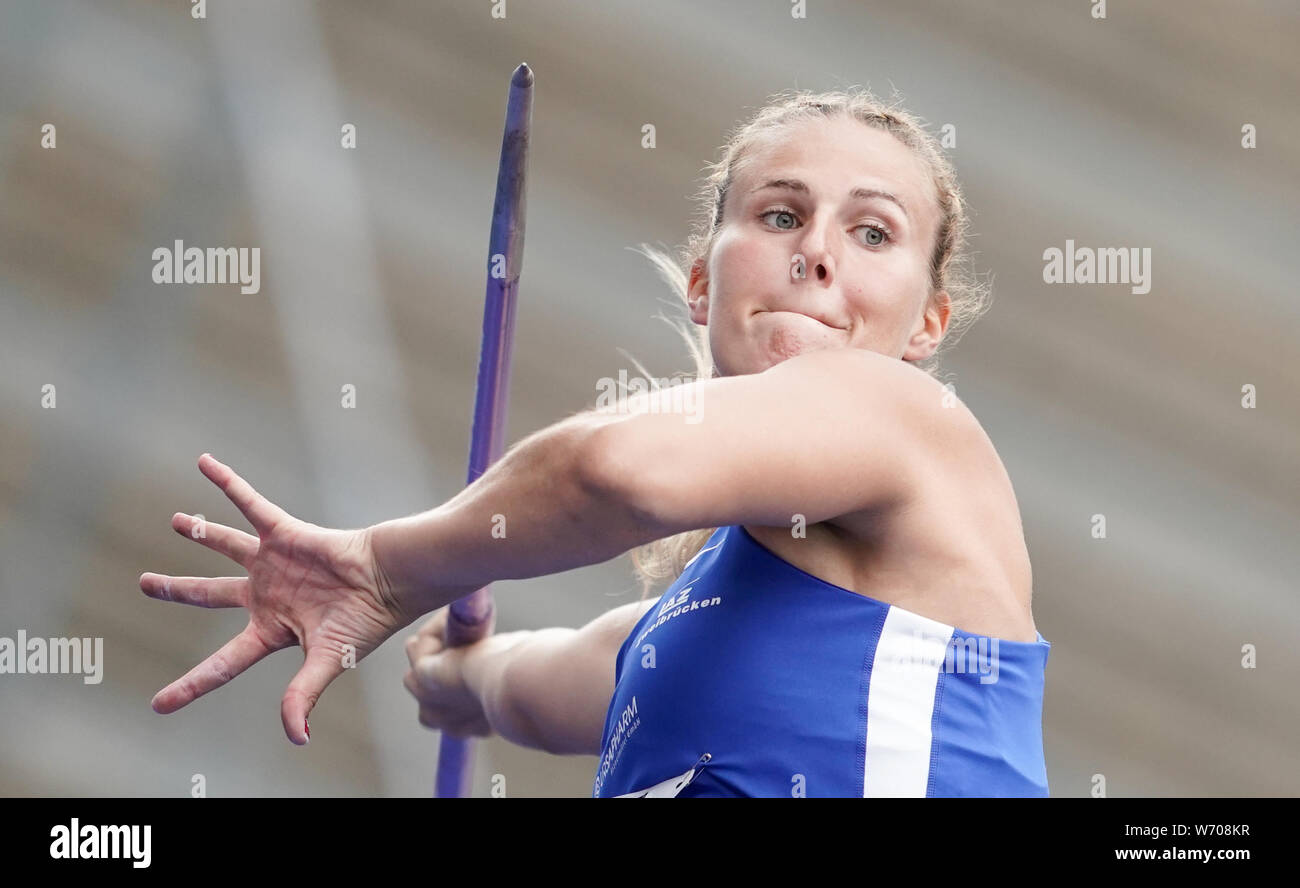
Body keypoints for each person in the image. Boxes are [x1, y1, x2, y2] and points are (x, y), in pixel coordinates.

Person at [142, 87, 1049, 797]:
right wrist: (454, 673)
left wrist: (389, 568)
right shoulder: (665, 635)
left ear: (926, 324)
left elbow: (611, 471)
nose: (817, 252)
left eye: (872, 232)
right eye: (780, 216)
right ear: (703, 282)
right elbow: (530, 684)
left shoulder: (909, 424)